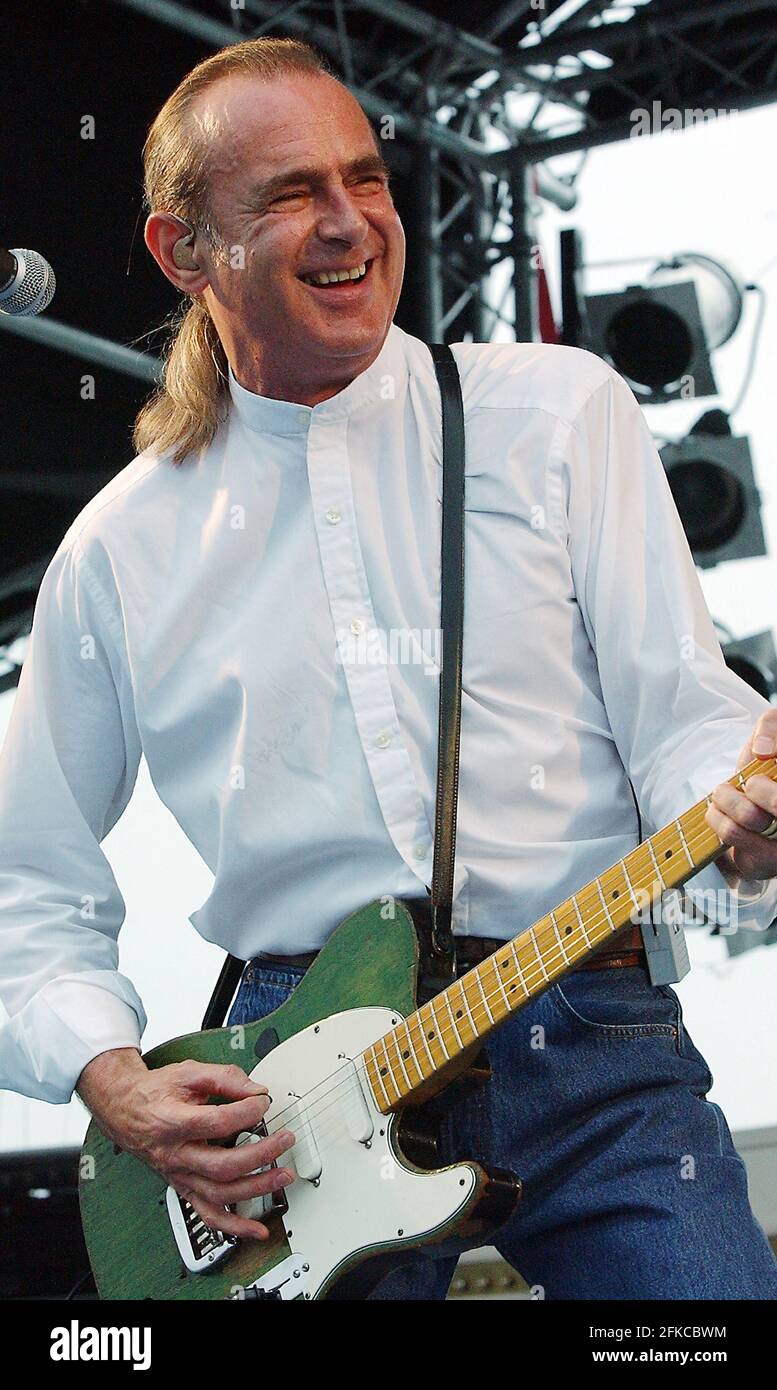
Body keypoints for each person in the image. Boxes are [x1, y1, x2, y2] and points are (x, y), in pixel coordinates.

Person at [1, 35, 776, 1300]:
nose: (352, 220)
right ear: (184, 252)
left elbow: (687, 720)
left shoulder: (561, 412)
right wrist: (116, 1080)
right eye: (292, 193)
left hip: (587, 1022)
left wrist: (743, 810)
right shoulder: (118, 548)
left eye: (365, 178)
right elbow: (25, 875)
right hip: (287, 1093)